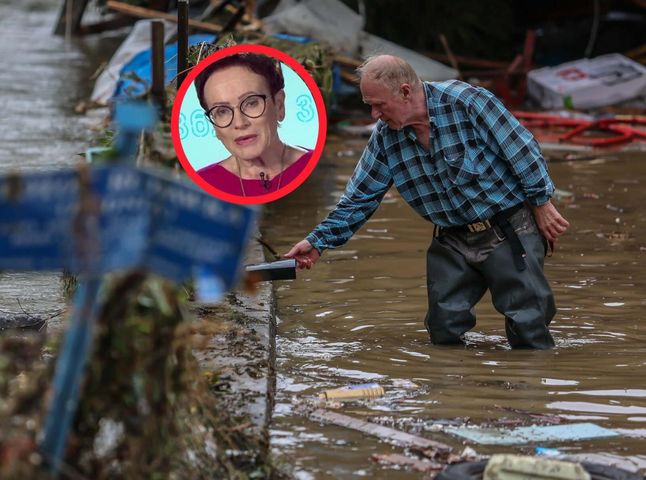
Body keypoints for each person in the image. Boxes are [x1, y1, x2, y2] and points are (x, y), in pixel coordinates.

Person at [285, 55, 569, 349]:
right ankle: (454, 389)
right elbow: (359, 197)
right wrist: (319, 242)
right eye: (369, 105)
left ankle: (529, 386)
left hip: (506, 228)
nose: (374, 115)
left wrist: (541, 202)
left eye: (379, 105)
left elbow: (521, 149)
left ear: (406, 91)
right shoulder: (386, 137)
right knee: (442, 329)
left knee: (529, 329)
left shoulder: (467, 101)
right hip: (452, 238)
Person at [194, 52, 313, 196]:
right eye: (222, 111)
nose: (239, 123)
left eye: (251, 103)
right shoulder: (200, 185)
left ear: (279, 105)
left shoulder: (315, 167)